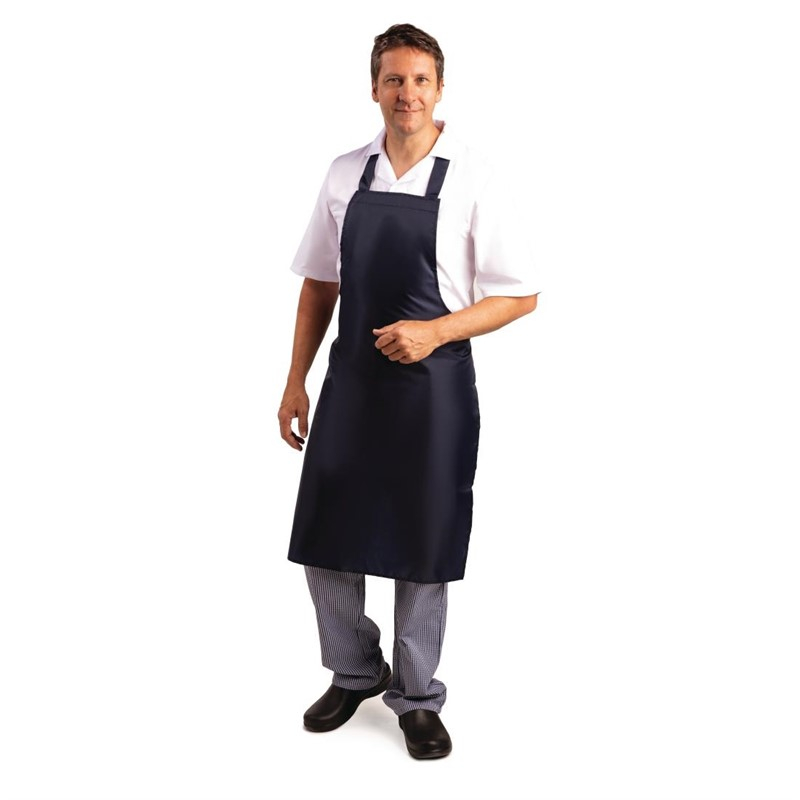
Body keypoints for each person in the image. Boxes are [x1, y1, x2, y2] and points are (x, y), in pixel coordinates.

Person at [278, 23, 540, 759]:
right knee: (328, 533)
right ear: (374, 88)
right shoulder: (345, 173)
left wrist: (436, 331)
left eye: (421, 80)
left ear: (440, 88)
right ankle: (354, 670)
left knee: (423, 542)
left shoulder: (473, 177)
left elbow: (520, 295)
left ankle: (418, 697)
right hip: (353, 387)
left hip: (434, 393)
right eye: (394, 79)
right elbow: (319, 283)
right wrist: (295, 381)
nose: (407, 93)